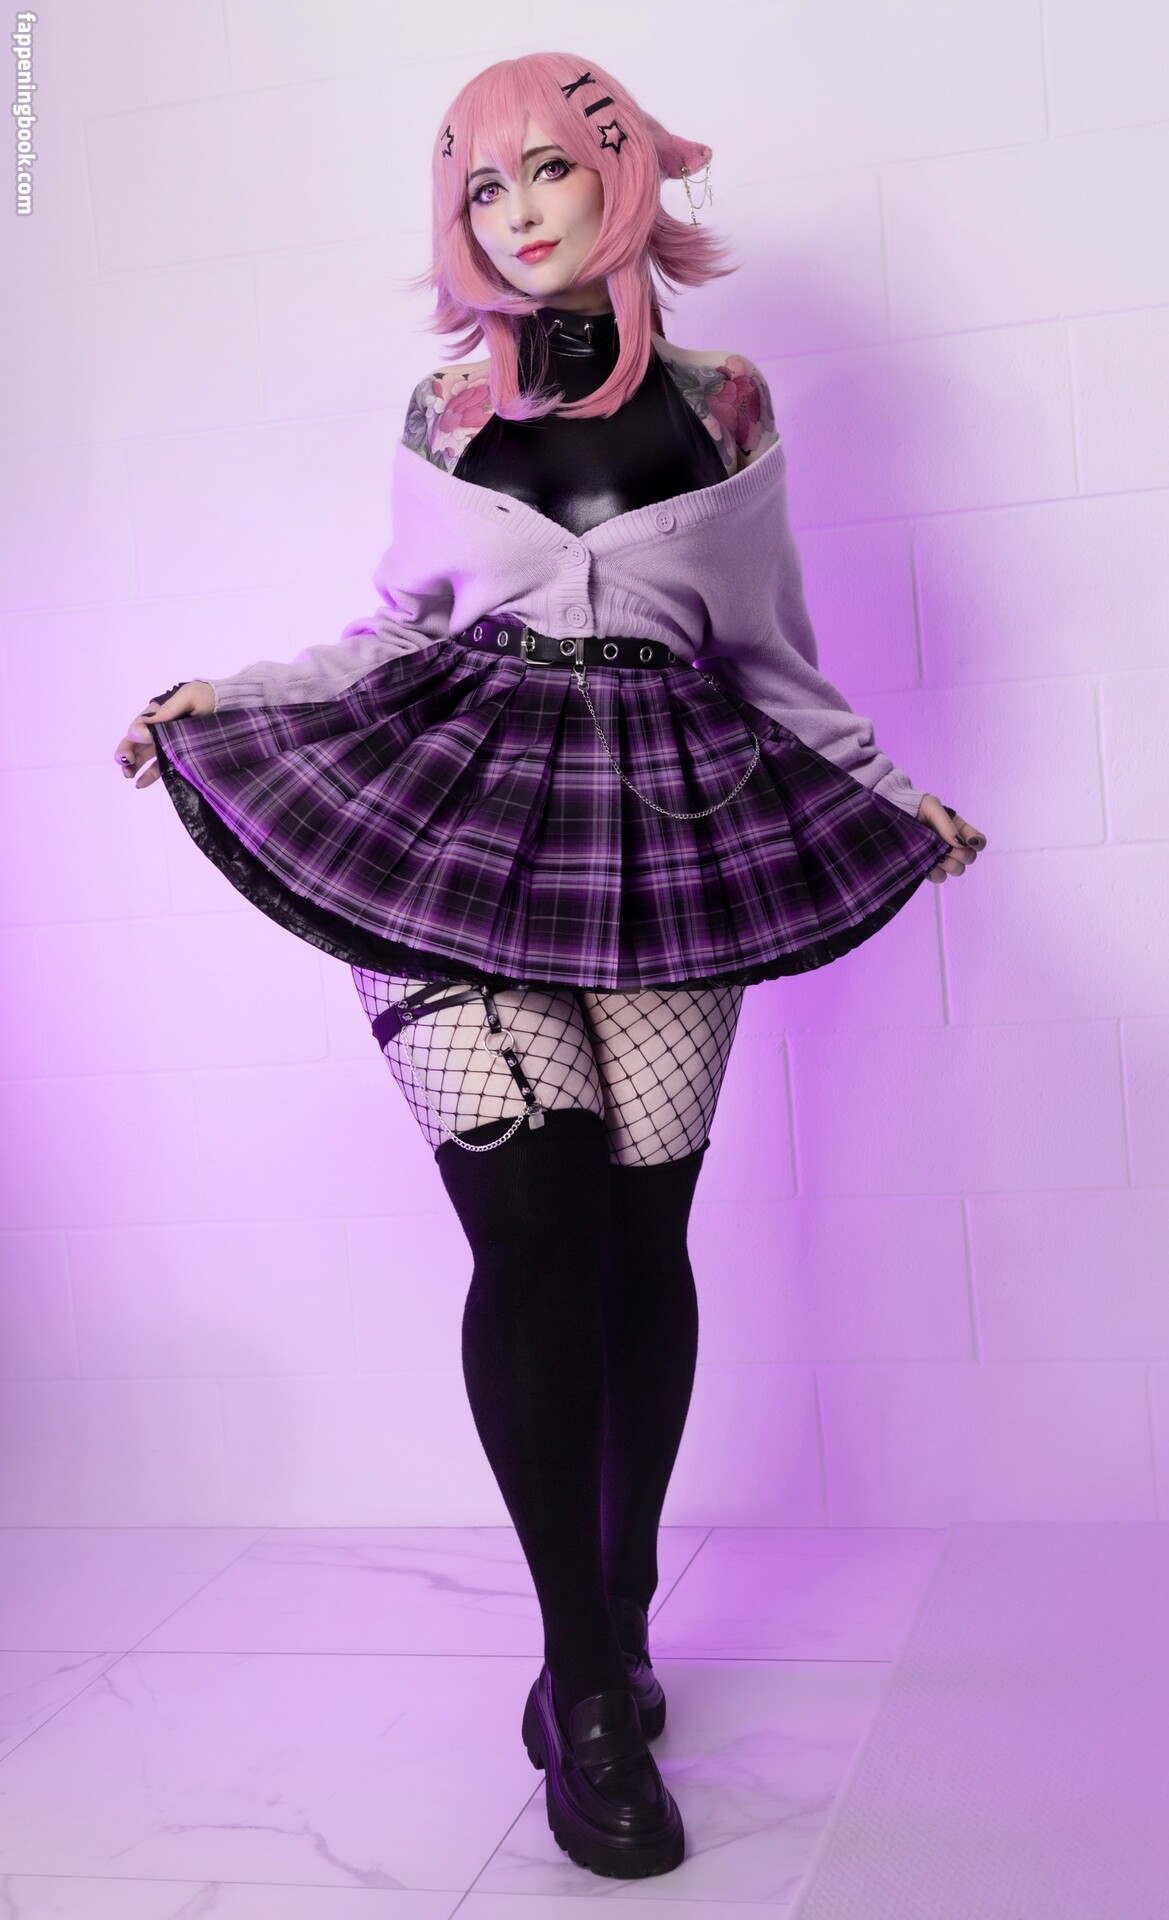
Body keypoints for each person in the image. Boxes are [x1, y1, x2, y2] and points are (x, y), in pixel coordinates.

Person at [113, 52, 985, 1882]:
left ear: (624, 177)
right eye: (479, 189)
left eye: (547, 172)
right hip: (454, 808)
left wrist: (879, 789)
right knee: (530, 1225)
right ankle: (581, 1682)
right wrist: (233, 696)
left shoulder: (726, 402)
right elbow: (393, 627)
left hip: (665, 821)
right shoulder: (447, 407)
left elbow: (768, 651)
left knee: (637, 1240)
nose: (514, 214)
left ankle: (624, 1604)